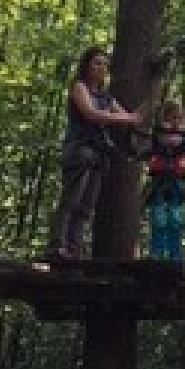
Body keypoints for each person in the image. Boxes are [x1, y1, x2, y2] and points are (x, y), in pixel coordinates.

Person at [45, 47, 142, 260]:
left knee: (85, 207)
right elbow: (91, 114)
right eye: (97, 63)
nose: (101, 68)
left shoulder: (106, 97)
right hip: (80, 150)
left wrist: (136, 118)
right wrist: (126, 118)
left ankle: (74, 250)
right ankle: (57, 246)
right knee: (72, 199)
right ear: (87, 65)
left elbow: (126, 117)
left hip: (99, 155)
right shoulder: (80, 87)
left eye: (105, 64)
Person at [145, 97, 185, 262]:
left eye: (179, 117)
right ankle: (156, 253)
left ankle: (175, 254)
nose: (175, 121)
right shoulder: (157, 133)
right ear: (165, 117)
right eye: (172, 117)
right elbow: (155, 148)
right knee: (158, 217)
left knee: (175, 217)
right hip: (159, 180)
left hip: (177, 180)